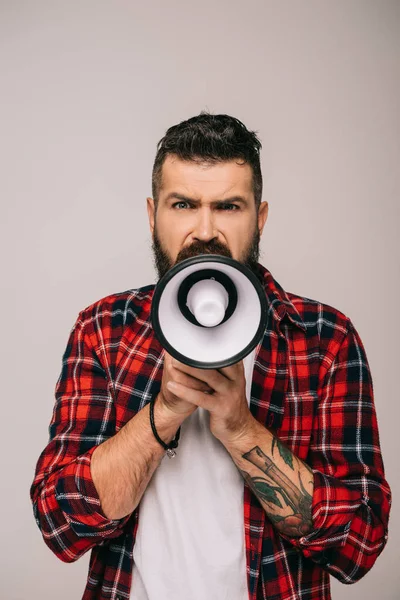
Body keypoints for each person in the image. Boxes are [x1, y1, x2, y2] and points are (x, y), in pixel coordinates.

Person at [30, 112, 391, 600]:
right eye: (182, 204)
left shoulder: (325, 340)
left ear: (259, 218)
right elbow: (60, 525)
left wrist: (241, 429)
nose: (204, 231)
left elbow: (359, 546)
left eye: (228, 206)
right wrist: (162, 415)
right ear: (153, 214)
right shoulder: (104, 330)